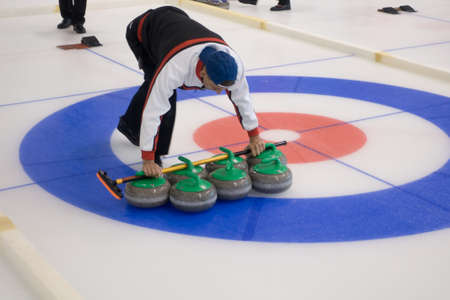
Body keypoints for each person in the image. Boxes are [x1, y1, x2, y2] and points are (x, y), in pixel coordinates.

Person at [119, 6, 266, 178]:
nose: (219, 92)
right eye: (216, 85)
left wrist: (254, 135)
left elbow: (242, 98)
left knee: (156, 86)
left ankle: (129, 125)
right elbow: (154, 109)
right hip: (143, 31)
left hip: (176, 23)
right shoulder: (175, 68)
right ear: (203, 72)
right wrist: (148, 159)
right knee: (158, 89)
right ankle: (152, 149)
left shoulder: (234, 66)